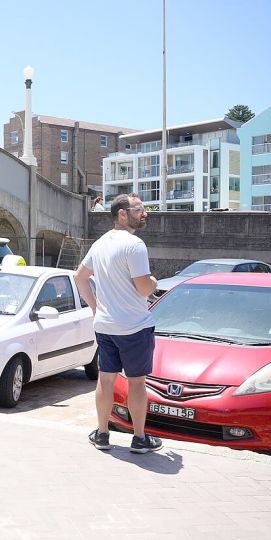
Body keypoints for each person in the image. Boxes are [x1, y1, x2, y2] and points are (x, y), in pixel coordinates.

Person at [74, 193, 161, 454]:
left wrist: (94, 308)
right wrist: (155, 281)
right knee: (136, 382)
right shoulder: (134, 245)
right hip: (134, 326)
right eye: (138, 209)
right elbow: (145, 287)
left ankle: (102, 434)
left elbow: (80, 277)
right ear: (122, 214)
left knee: (106, 379)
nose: (144, 214)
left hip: (105, 326)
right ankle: (139, 438)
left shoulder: (100, 243)